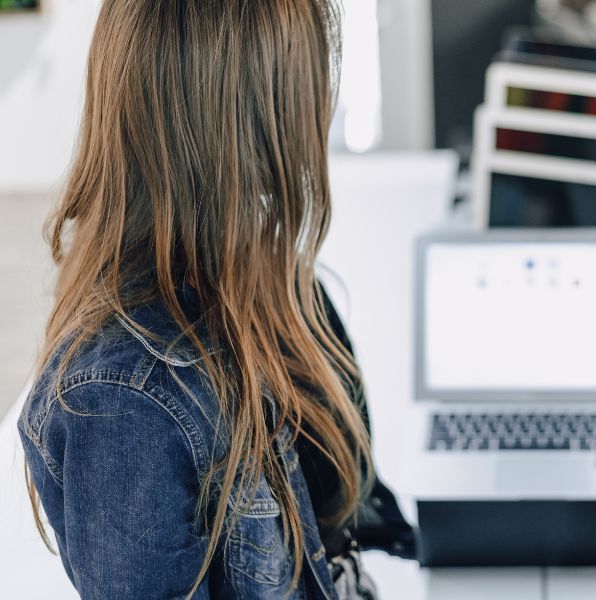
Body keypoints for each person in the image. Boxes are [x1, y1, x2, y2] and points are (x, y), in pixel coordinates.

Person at [17, 1, 412, 598]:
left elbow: (340, 525)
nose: (321, 109)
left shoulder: (277, 285)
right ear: (255, 115)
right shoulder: (122, 403)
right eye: (308, 82)